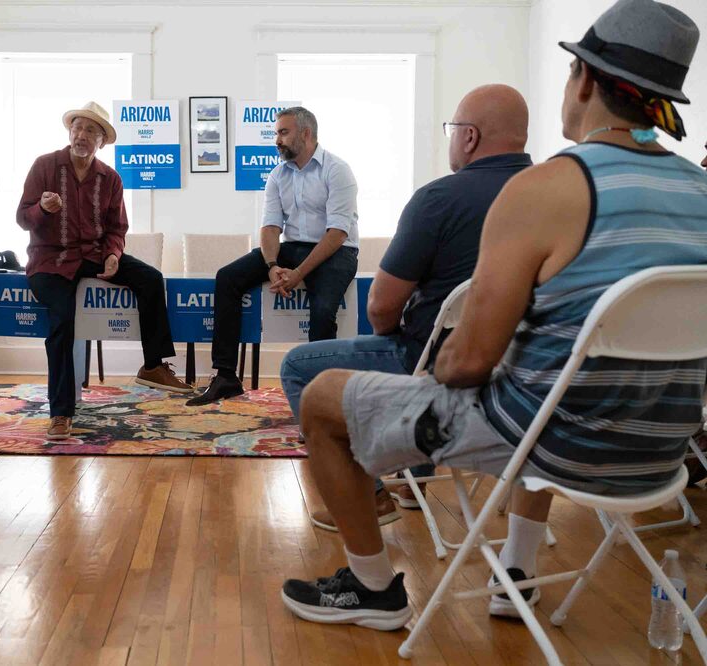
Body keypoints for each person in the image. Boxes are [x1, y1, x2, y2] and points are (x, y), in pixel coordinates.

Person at [280, 0, 707, 632]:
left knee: (320, 393)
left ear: (584, 80)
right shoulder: (699, 190)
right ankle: (516, 573)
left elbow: (469, 362)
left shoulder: (547, 188)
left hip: (559, 445)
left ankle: (373, 589)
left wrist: (448, 361)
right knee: (549, 377)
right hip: (660, 456)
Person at [282, 85, 532, 530]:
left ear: (469, 137)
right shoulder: (556, 198)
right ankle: (418, 476)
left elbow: (381, 306)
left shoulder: (439, 199)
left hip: (440, 361)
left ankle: (371, 497)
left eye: (452, 129)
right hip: (522, 373)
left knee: (300, 366)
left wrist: (393, 337)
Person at [16, 102, 193, 441]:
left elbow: (116, 228)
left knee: (151, 278)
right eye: (78, 128)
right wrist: (41, 208)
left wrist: (113, 254)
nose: (82, 135)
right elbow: (23, 218)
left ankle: (153, 365)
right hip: (50, 259)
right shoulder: (45, 166)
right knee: (63, 322)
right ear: (70, 132)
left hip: (94, 254)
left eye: (91, 131)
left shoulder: (110, 178)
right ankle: (61, 412)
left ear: (102, 141)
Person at [188, 106, 359, 406]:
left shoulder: (337, 169)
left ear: (305, 133)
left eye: (283, 132)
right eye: (276, 133)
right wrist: (271, 266)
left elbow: (337, 233)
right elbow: (270, 228)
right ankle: (226, 376)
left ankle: (319, 392)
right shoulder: (278, 174)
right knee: (227, 278)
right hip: (292, 247)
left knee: (322, 310)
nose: (276, 140)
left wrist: (299, 274)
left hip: (336, 251)